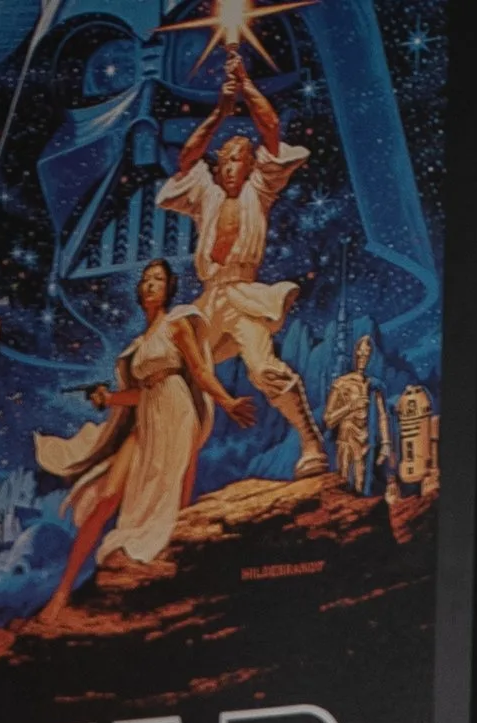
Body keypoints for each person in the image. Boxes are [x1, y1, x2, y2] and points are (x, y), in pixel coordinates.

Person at [34, 256, 252, 621]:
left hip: (177, 413)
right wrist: (109, 399)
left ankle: (175, 585)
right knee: (106, 496)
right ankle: (62, 591)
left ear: (169, 290)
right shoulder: (136, 346)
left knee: (174, 501)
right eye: (147, 279)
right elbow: (140, 394)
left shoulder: (178, 323)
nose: (151, 284)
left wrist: (227, 400)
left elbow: (197, 370)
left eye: (159, 279)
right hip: (148, 415)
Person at [157, 53, 328, 478]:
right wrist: (220, 109)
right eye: (227, 160)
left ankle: (310, 443)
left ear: (252, 166)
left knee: (262, 368)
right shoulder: (205, 193)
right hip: (208, 298)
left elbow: (270, 130)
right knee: (172, 371)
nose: (232, 165)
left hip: (241, 295)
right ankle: (167, 466)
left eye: (240, 159)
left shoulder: (260, 189)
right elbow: (187, 159)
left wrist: (247, 86)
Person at [324, 329, 393, 495]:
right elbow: (328, 419)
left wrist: (385, 443)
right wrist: (351, 406)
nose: (363, 358)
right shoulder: (341, 384)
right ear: (354, 353)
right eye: (360, 353)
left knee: (362, 483)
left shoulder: (373, 385)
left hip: (365, 440)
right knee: (344, 481)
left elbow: (383, 415)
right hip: (346, 438)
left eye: (367, 354)